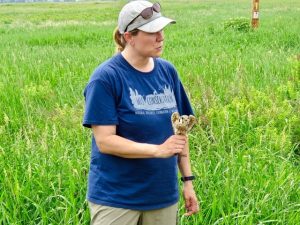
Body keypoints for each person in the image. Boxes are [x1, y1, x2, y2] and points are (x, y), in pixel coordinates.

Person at [82, 1, 199, 224]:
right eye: (152, 32)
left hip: (162, 196)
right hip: (116, 199)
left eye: (162, 30)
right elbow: (105, 141)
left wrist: (187, 180)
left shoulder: (167, 71)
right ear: (129, 36)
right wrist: (157, 150)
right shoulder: (106, 78)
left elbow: (181, 133)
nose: (161, 37)